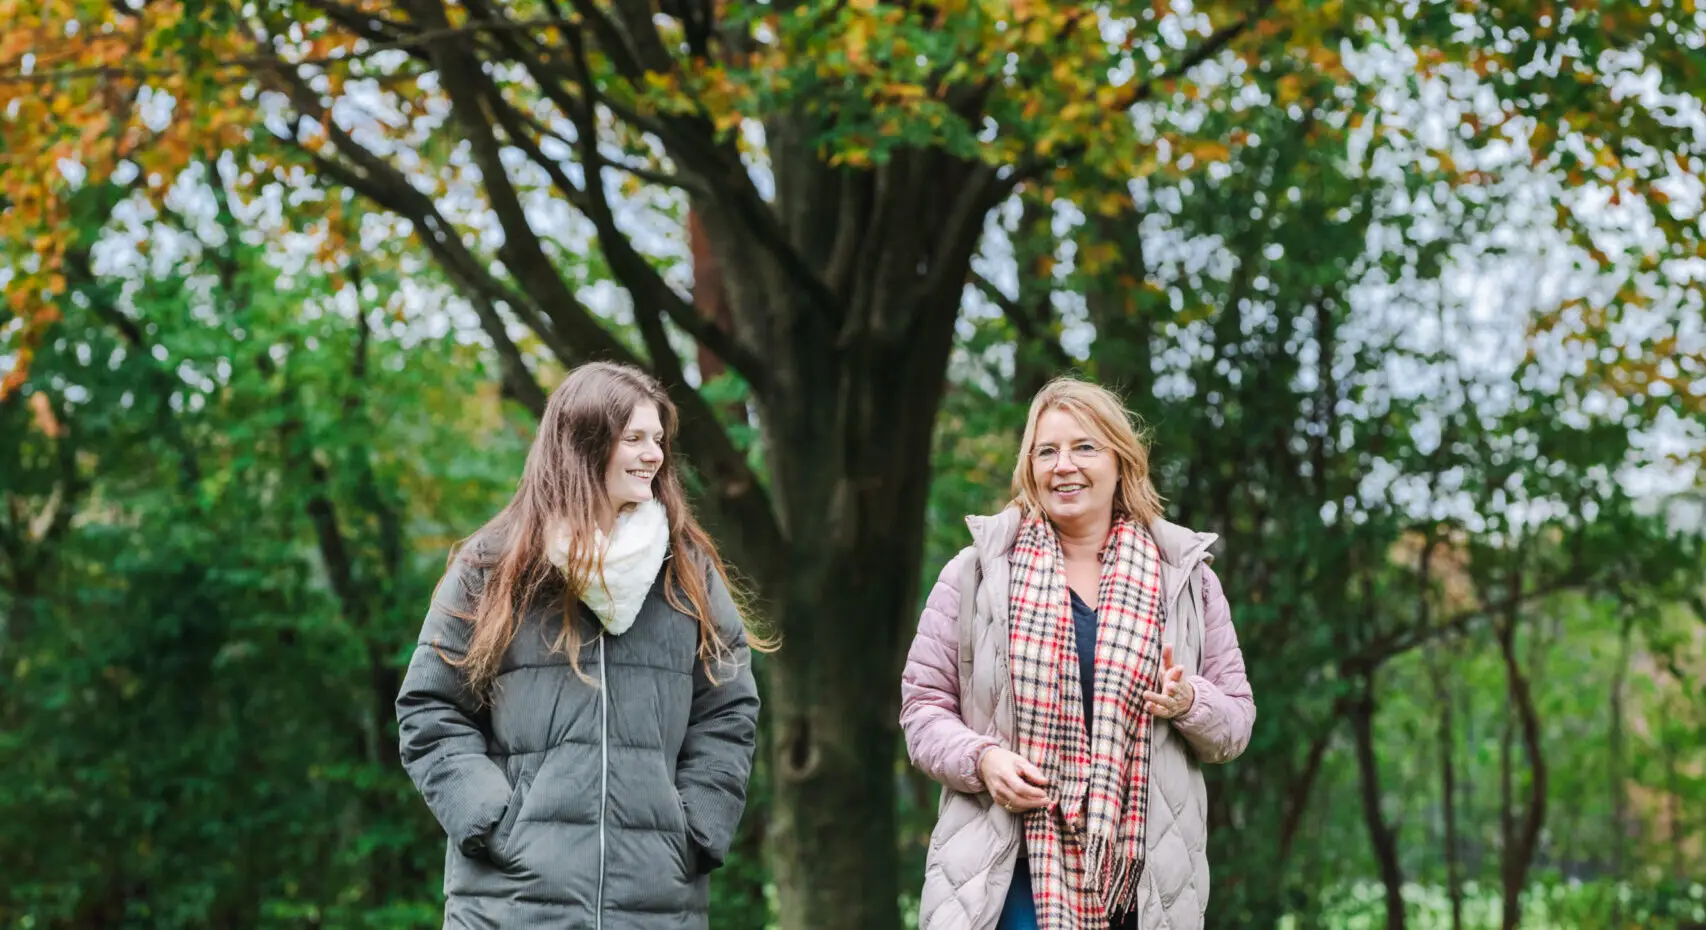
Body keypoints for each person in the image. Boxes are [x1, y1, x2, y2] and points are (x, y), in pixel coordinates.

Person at [396, 361, 763, 929]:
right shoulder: (493, 566)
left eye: (658, 440)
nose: (653, 455)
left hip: (655, 903)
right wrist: (491, 820)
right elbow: (428, 707)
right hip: (509, 906)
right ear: (584, 444)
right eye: (634, 439)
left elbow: (729, 710)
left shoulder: (686, 572)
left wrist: (694, 829)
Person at [900, 376, 1255, 930]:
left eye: (1084, 447)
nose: (1063, 465)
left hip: (1143, 880)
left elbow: (1236, 721)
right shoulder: (975, 574)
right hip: (1006, 870)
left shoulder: (1184, 581)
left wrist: (1188, 701)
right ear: (1030, 467)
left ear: (1120, 461)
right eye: (1047, 451)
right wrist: (983, 760)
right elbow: (922, 709)